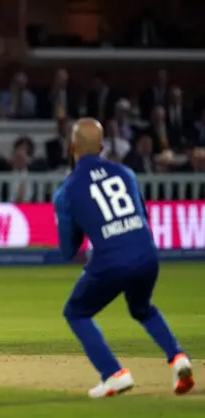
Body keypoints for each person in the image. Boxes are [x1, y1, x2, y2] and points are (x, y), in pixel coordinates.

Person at [53, 118, 194, 398]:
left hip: (111, 262)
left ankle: (113, 374)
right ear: (102, 146)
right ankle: (178, 358)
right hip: (146, 254)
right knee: (142, 309)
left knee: (76, 312)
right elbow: (142, 216)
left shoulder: (66, 191)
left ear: (72, 148)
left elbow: (69, 250)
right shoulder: (125, 173)